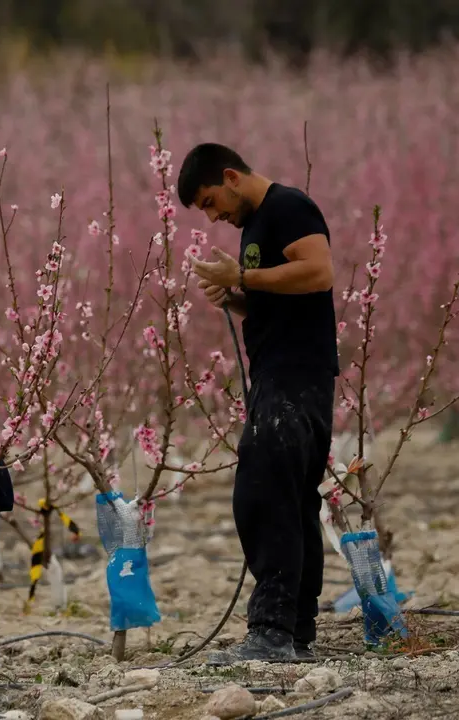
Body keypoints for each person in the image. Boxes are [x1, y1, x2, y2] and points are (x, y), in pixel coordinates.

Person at [177, 143, 338, 664]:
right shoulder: (254, 228)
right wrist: (238, 297)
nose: (214, 215)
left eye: (209, 201)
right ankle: (296, 631)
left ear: (230, 176)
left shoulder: (288, 207)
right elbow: (280, 297)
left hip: (296, 376)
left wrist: (242, 278)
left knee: (262, 495)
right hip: (281, 375)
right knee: (292, 499)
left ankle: (271, 631)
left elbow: (318, 273)